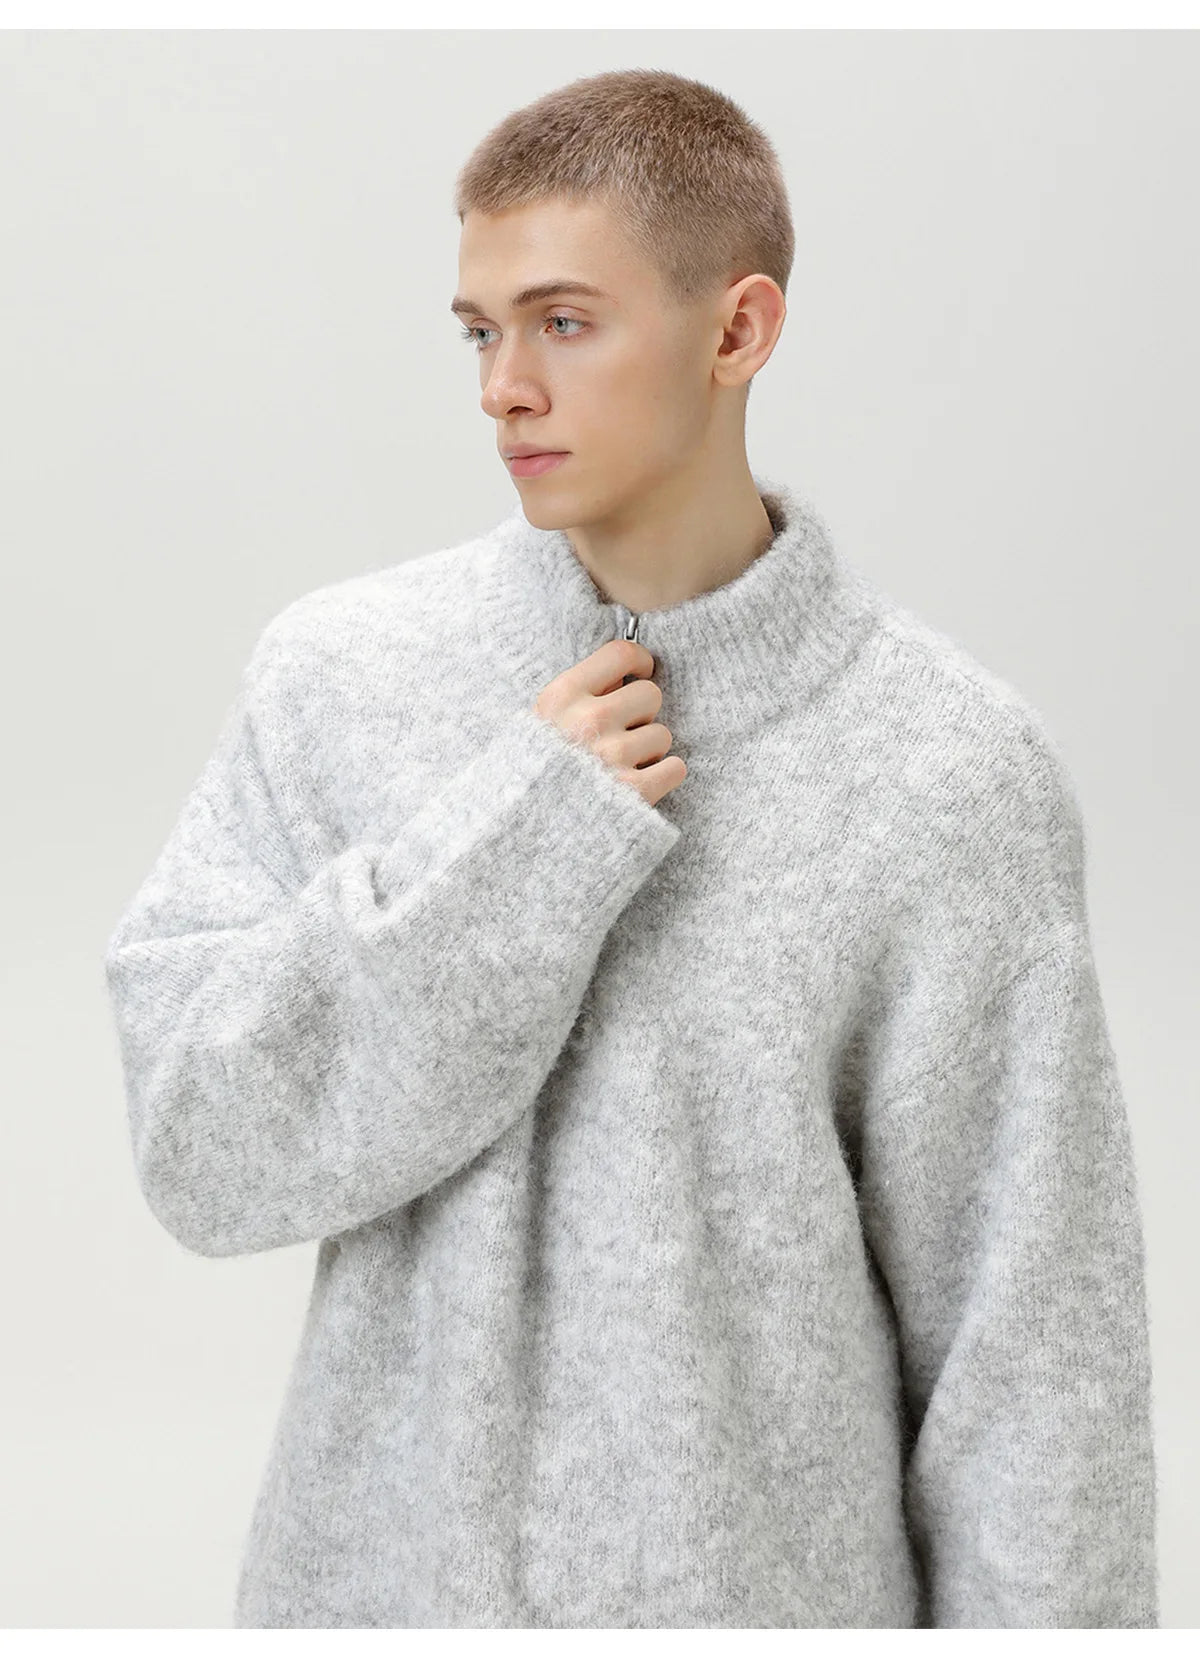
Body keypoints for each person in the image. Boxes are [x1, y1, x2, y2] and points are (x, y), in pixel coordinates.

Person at [103, 68, 1158, 1629]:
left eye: (563, 322)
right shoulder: (338, 678)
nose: (503, 388)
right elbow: (204, 1149)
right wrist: (520, 840)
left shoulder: (947, 771)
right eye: (479, 331)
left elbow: (1035, 1370)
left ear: (738, 332)